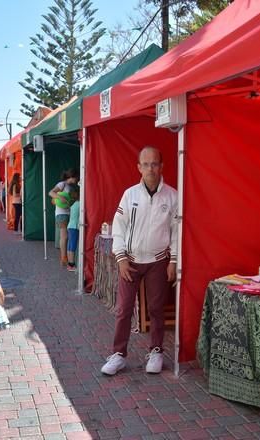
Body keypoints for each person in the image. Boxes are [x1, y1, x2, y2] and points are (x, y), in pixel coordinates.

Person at [101, 147, 178, 376]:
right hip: (131, 261)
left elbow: (176, 232)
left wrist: (173, 261)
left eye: (154, 164)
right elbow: (119, 227)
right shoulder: (130, 194)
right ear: (139, 167)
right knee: (124, 309)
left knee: (156, 309)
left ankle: (156, 352)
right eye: (146, 164)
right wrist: (121, 258)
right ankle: (118, 355)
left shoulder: (172, 196)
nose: (150, 168)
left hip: (157, 261)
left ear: (161, 166)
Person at [48, 168, 80, 266]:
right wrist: (59, 197)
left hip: (68, 213)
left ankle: (65, 257)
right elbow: (51, 192)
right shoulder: (62, 184)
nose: (77, 179)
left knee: (67, 236)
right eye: (76, 177)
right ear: (72, 176)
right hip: (61, 214)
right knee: (64, 236)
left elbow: (70, 200)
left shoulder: (71, 187)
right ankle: (63, 257)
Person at [66, 188, 80, 272]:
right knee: (73, 246)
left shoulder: (73, 204)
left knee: (70, 245)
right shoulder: (79, 204)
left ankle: (70, 263)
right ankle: (71, 264)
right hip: (74, 227)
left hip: (70, 226)